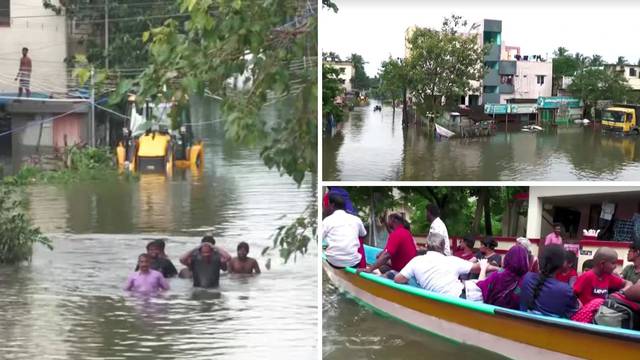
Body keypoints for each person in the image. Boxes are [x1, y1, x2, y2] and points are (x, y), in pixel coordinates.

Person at [393, 233, 499, 298]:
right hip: (464, 295)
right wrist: (498, 269)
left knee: (394, 275)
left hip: (458, 298)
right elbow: (477, 268)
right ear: (443, 247)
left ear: (426, 246)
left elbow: (398, 279)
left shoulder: (416, 261)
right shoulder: (451, 260)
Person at [519, 245, 579, 318]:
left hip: (521, 326)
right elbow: (574, 311)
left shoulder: (527, 278)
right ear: (561, 265)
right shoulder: (565, 290)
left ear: (539, 260)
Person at [477, 245, 529, 310]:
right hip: (514, 318)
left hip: (492, 315)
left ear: (508, 257)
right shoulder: (527, 280)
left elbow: (480, 285)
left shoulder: (498, 275)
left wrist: (483, 268)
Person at [322, 193, 366, 269]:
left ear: (331, 205)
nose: (324, 208)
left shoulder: (327, 220)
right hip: (353, 262)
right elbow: (363, 234)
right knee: (359, 237)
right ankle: (362, 265)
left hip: (334, 262)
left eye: (325, 205)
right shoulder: (356, 219)